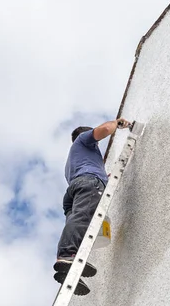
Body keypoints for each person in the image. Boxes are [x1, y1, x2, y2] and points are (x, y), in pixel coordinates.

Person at [54, 118, 132, 295]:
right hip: (88, 184)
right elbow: (105, 128)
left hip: (74, 192)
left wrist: (107, 177)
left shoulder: (74, 161)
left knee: (79, 224)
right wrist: (117, 124)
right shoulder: (83, 140)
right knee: (83, 218)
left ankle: (70, 266)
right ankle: (66, 255)